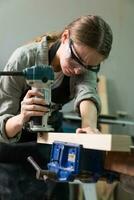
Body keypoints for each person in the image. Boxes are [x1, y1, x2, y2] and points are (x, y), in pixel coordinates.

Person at [0, 15, 113, 199]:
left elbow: (87, 94)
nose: (78, 70)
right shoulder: (24, 59)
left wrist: (89, 127)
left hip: (47, 145)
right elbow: (1, 125)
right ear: (65, 37)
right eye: (76, 60)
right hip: (9, 152)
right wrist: (22, 117)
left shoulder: (85, 64)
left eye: (88, 67)